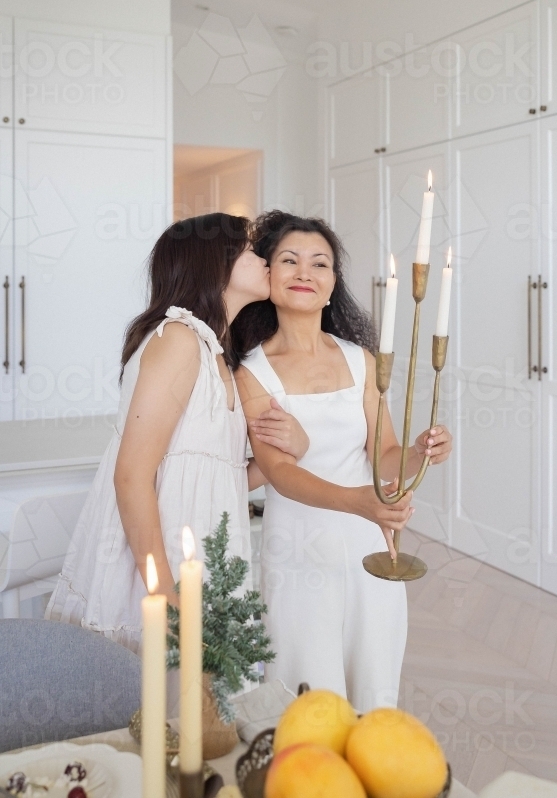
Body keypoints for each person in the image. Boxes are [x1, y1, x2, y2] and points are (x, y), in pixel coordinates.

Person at [45, 213, 308, 653]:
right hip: (155, 568)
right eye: (248, 250)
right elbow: (130, 476)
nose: (262, 258)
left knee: (197, 709)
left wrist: (290, 451)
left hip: (201, 556)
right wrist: (162, 593)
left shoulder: (218, 355)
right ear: (213, 264)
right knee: (147, 706)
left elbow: (219, 480)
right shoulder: (179, 339)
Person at [233, 211, 452, 711]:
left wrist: (422, 450)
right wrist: (361, 503)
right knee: (312, 701)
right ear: (268, 275)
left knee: (374, 691)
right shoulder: (252, 373)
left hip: (369, 552)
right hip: (299, 556)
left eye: (320, 263)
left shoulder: (361, 360)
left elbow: (386, 456)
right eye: (289, 260)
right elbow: (281, 474)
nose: (304, 272)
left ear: (333, 283)